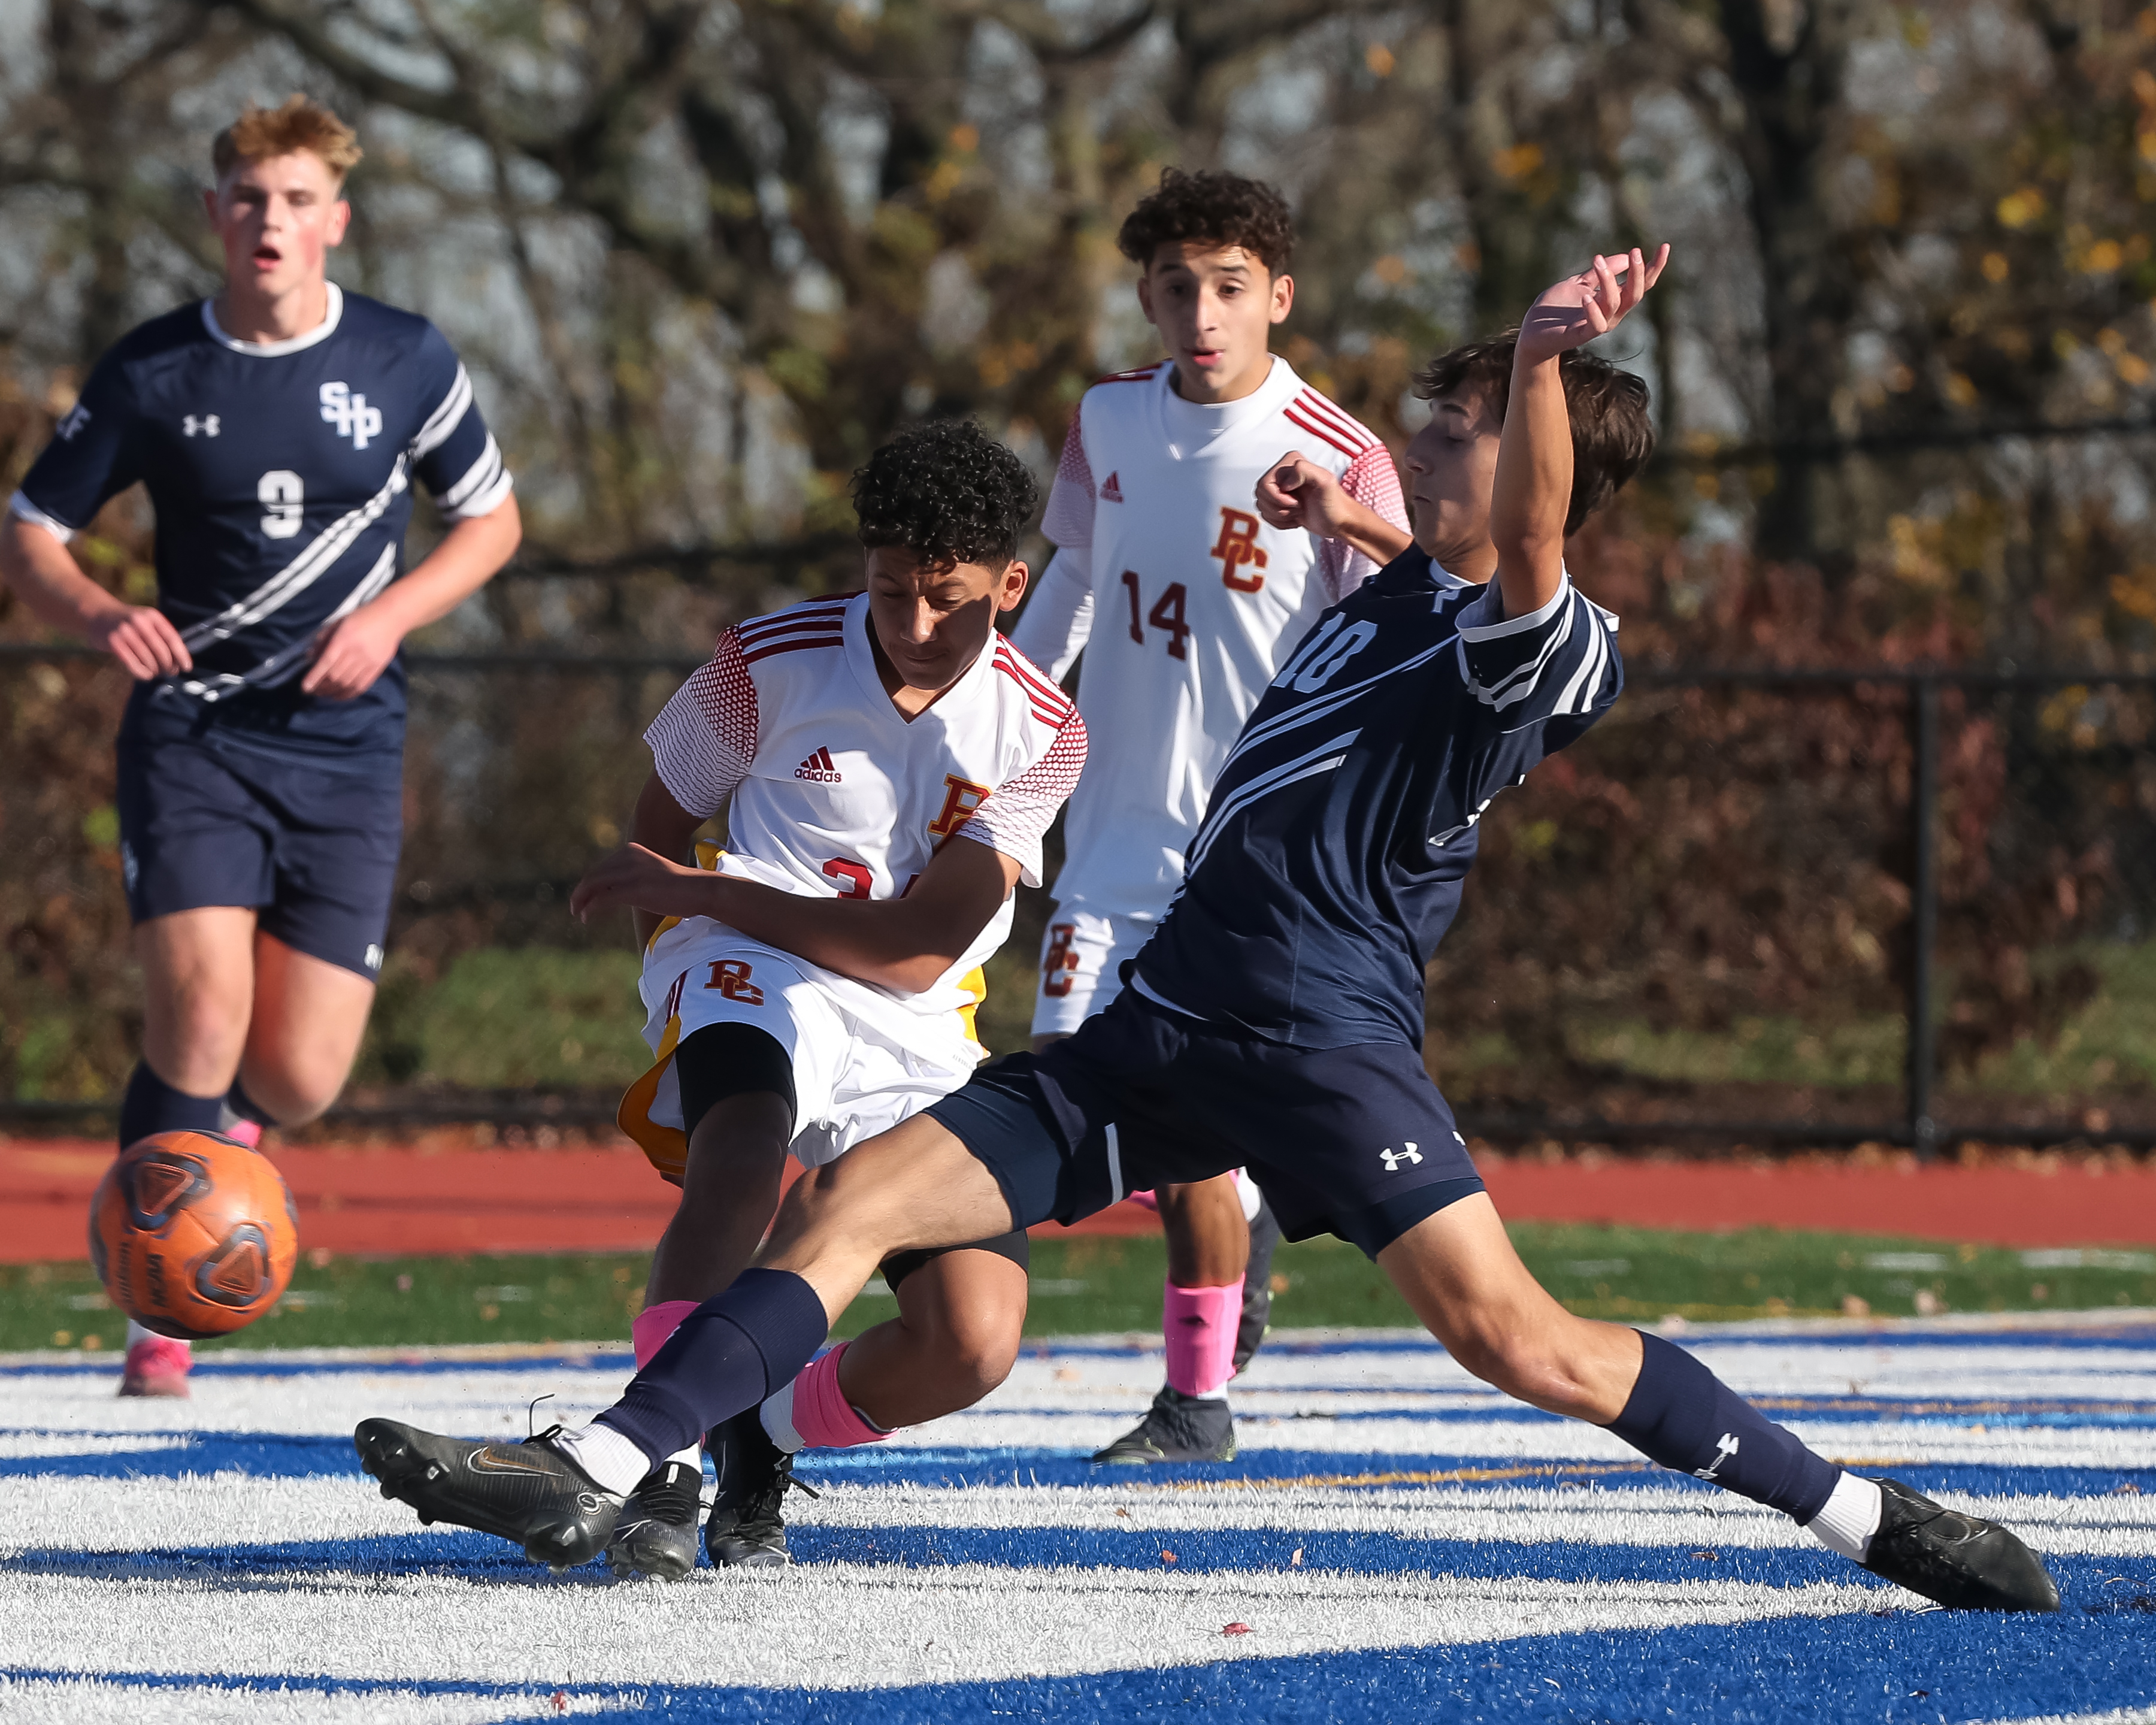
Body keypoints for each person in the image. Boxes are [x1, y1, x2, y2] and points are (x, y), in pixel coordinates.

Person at [350, 247, 2061, 1615]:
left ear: (1532, 457)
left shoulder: (1548, 641)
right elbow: (1439, 547)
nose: (1414, 442)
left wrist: (1540, 360)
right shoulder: (1398, 590)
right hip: (1168, 1027)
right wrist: (1355, 522)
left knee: (1517, 1342)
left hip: (1319, 1043)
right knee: (863, 1201)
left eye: (1452, 426)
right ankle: (605, 1460)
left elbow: (1529, 543)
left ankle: (1863, 1517)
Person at [0, 96, 520, 1399]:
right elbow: (30, 530)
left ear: (336, 220)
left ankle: (223, 1138)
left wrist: (392, 615)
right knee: (202, 1010)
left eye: (295, 200)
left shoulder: (407, 358)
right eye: (247, 197)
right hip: (193, 733)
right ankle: (154, 1307)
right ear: (214, 215)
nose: (270, 221)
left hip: (347, 745)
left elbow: (492, 521)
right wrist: (102, 612)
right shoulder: (153, 370)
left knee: (298, 1072)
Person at [562, 418, 1085, 1578]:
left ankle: (761, 1430)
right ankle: (663, 1468)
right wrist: (688, 969)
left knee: (974, 1341)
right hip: (753, 963)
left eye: (950, 600)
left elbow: (916, 952)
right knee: (743, 1157)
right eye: (891, 590)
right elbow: (658, 839)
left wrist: (713, 890)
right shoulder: (765, 660)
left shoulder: (1046, 729)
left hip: (915, 1012)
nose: (914, 625)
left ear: (1013, 584)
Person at [1009, 168, 1410, 1465]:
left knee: (1172, 1110)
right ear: (1147, 294)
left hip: (1253, 853)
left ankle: (1196, 1399)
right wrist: (1007, 707)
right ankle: (1238, 1228)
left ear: (1278, 297)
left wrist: (1350, 520)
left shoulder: (1338, 451)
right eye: (1177, 285)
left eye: (1230, 286)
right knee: (1069, 1088)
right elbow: (1070, 570)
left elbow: (1429, 606)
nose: (1202, 309)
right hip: (1112, 836)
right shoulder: (1108, 420)